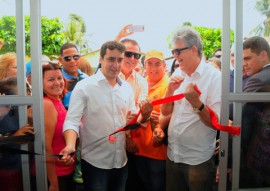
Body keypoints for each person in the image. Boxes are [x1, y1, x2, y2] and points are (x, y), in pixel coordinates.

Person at [60, 41, 152, 191]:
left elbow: (133, 122)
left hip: (121, 161)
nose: (116, 65)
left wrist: (145, 115)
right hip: (94, 162)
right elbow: (72, 120)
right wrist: (70, 145)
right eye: (111, 59)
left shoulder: (127, 89)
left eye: (119, 60)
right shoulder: (85, 87)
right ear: (101, 59)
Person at [161, 27, 221, 191]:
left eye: (178, 51)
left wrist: (197, 103)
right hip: (173, 156)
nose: (175, 56)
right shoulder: (177, 73)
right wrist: (170, 90)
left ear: (194, 49)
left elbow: (216, 123)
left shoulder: (214, 78)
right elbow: (165, 112)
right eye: (173, 51)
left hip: (197, 161)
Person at [132, 50, 169, 191]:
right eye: (149, 64)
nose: (153, 68)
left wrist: (158, 118)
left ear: (164, 66)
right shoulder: (141, 83)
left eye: (157, 64)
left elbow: (170, 114)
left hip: (158, 151)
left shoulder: (168, 86)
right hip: (138, 148)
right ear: (144, 66)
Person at [118, 38, 148, 191]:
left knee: (132, 182)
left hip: (134, 140)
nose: (133, 59)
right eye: (128, 54)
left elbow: (138, 111)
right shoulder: (110, 78)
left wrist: (129, 137)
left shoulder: (142, 82)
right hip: (111, 141)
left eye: (137, 55)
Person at [240, 36, 270, 188]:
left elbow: (243, 123)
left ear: (263, 55)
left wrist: (233, 158)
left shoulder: (258, 79)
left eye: (247, 58)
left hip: (257, 161)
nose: (243, 64)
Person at [42, 63, 75, 191]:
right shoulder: (47, 104)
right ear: (41, 84)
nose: (57, 83)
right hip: (56, 175)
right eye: (51, 79)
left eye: (59, 78)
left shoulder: (57, 101)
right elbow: (45, 147)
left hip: (65, 171)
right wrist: (54, 183)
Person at [0, 76, 34, 191]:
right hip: (7, 168)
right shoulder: (4, 112)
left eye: (28, 90)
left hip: (21, 165)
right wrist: (15, 137)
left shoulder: (19, 110)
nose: (29, 95)